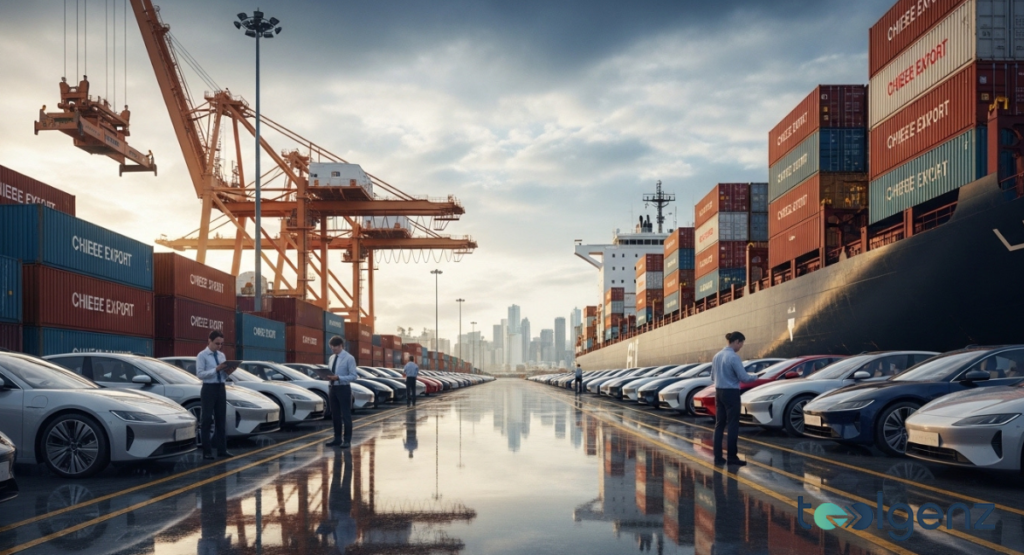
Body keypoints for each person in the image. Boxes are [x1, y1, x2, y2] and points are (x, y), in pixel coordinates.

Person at [711, 331, 755, 466]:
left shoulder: (716, 356)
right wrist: (757, 376)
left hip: (719, 392)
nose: (741, 347)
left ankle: (718, 457)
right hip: (731, 393)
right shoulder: (734, 357)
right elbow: (744, 378)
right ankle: (732, 457)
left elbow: (712, 377)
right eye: (741, 344)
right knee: (732, 425)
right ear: (736, 341)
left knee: (719, 425)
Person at [196, 330, 233, 460]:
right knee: (206, 419)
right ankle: (207, 451)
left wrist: (228, 371)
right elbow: (200, 374)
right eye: (217, 343)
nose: (219, 346)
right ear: (209, 341)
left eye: (221, 344)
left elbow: (222, 374)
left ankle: (222, 450)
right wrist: (216, 369)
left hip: (220, 387)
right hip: (208, 388)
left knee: (221, 420)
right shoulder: (202, 355)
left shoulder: (222, 355)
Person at [326, 336, 358, 448]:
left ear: (340, 346)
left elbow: (354, 376)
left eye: (334, 347)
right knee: (335, 415)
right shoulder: (331, 358)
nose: (333, 349)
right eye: (331, 347)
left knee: (346, 415)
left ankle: (347, 440)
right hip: (332, 388)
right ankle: (337, 439)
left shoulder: (349, 358)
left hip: (343, 388)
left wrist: (338, 378)